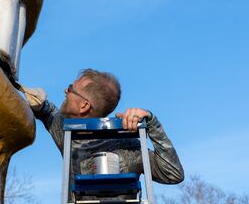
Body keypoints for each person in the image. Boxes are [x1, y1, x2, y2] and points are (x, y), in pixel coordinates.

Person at [22, 68, 184, 185]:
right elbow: (49, 112)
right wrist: (40, 104)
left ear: (84, 106)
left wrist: (150, 121)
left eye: (71, 88)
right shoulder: (66, 129)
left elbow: (173, 174)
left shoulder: (67, 134)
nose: (66, 90)